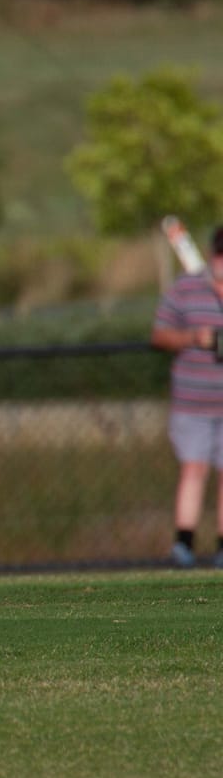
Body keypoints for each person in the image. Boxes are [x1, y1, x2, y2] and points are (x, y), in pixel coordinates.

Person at [149, 224, 223, 568]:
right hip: (192, 403)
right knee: (194, 469)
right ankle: (184, 545)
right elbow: (160, 334)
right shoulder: (186, 289)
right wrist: (197, 337)